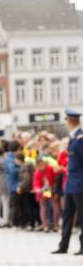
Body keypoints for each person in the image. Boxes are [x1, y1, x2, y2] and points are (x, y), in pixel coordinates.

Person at [52, 109, 83, 255]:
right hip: (71, 183)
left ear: (70, 121)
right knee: (67, 215)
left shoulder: (80, 138)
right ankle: (63, 245)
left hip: (80, 183)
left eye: (66, 120)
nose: (66, 123)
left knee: (81, 216)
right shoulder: (73, 137)